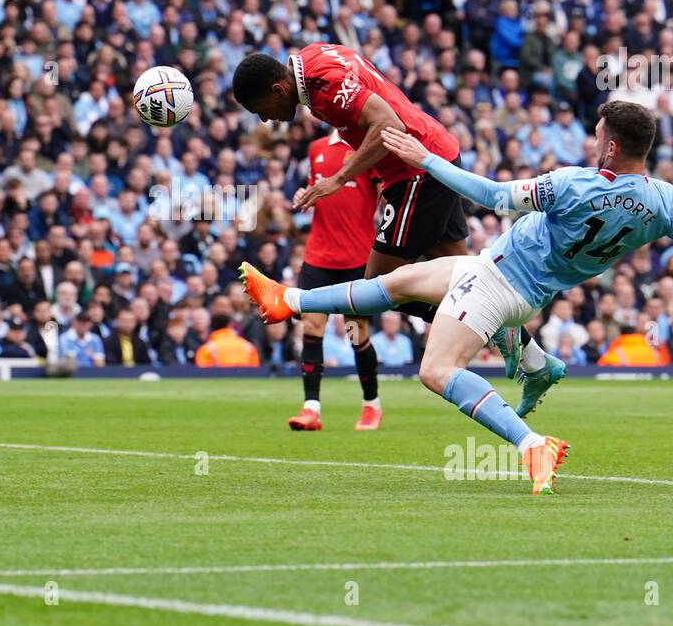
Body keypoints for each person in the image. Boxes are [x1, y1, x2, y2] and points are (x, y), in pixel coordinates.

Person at [239, 101, 673, 494]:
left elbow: (494, 196)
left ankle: (532, 444)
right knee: (397, 284)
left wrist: (426, 160)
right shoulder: (663, 201)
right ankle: (288, 300)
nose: (591, 139)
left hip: (497, 282)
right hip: (523, 286)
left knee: (436, 371)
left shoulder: (573, 184)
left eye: (597, 133)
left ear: (609, 147)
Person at [231, 44, 554, 414]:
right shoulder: (314, 57)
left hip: (415, 172)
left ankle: (497, 329)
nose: (265, 119)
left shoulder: (323, 86)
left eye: (260, 110)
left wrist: (339, 178)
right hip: (435, 156)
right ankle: (533, 359)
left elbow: (388, 123)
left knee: (379, 284)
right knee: (465, 280)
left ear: (278, 89)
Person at [289, 130, 382, 431]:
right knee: (311, 327)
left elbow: (385, 194)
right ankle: (311, 408)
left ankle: (371, 405)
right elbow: (314, 188)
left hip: (357, 258)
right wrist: (304, 195)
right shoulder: (316, 148)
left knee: (356, 334)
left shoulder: (368, 147)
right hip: (318, 256)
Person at [194, 313, 260, 367]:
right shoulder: (248, 346)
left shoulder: (206, 349)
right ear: (230, 325)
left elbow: (201, 374)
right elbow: (256, 372)